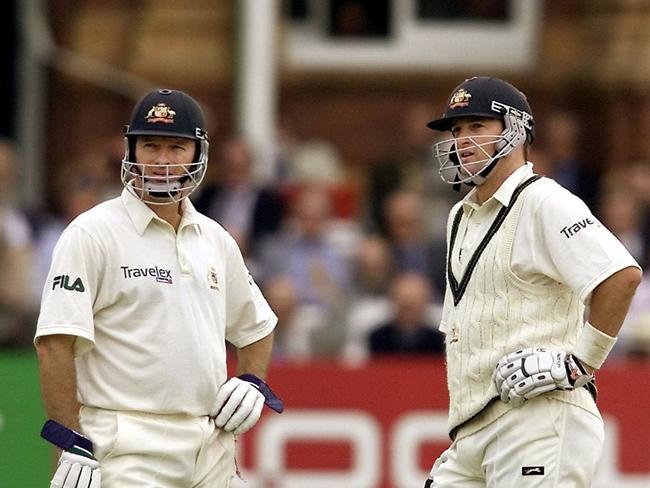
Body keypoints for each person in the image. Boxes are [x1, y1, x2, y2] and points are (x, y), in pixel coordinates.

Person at [34, 89, 283, 488]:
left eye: (176, 147)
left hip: (210, 447)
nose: (163, 160)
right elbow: (55, 344)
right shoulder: (92, 233)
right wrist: (70, 441)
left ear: (197, 153)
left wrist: (251, 381)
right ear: (130, 149)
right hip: (127, 446)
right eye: (150, 145)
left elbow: (257, 328)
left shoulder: (214, 239)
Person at [423, 76, 642, 487]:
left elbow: (620, 275)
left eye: (477, 126)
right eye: (456, 130)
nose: (462, 140)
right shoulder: (460, 216)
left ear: (516, 131)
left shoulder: (545, 201)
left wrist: (580, 363)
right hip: (472, 430)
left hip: (538, 417)